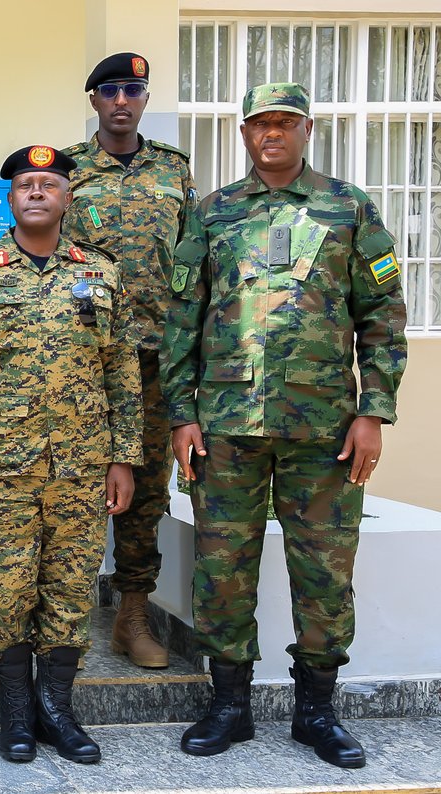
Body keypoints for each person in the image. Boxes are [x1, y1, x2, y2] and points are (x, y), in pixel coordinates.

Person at [164, 83, 407, 769]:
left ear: (306, 128)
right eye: (259, 123)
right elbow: (183, 320)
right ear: (243, 134)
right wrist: (181, 413)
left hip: (325, 430)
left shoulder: (349, 207)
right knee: (222, 569)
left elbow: (382, 315)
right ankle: (229, 705)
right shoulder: (213, 214)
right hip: (226, 426)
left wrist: (374, 410)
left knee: (325, 571)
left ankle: (316, 711)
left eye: (284, 122)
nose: (272, 133)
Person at [0, 145, 142, 765]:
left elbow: (122, 369)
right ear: (9, 197)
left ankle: (58, 710)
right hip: (0, 466)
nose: (35, 192)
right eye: (25, 183)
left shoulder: (102, 272)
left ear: (66, 197)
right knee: (7, 590)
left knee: (71, 588)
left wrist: (124, 457)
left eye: (48, 184)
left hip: (82, 466)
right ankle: (17, 713)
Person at [63, 53, 197, 669]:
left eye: (134, 90)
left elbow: (194, 262)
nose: (123, 100)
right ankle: (64, 616)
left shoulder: (174, 170)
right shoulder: (66, 170)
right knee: (77, 485)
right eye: (111, 90)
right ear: (94, 100)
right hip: (87, 358)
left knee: (145, 492)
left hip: (157, 360)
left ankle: (132, 615)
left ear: (144, 100)